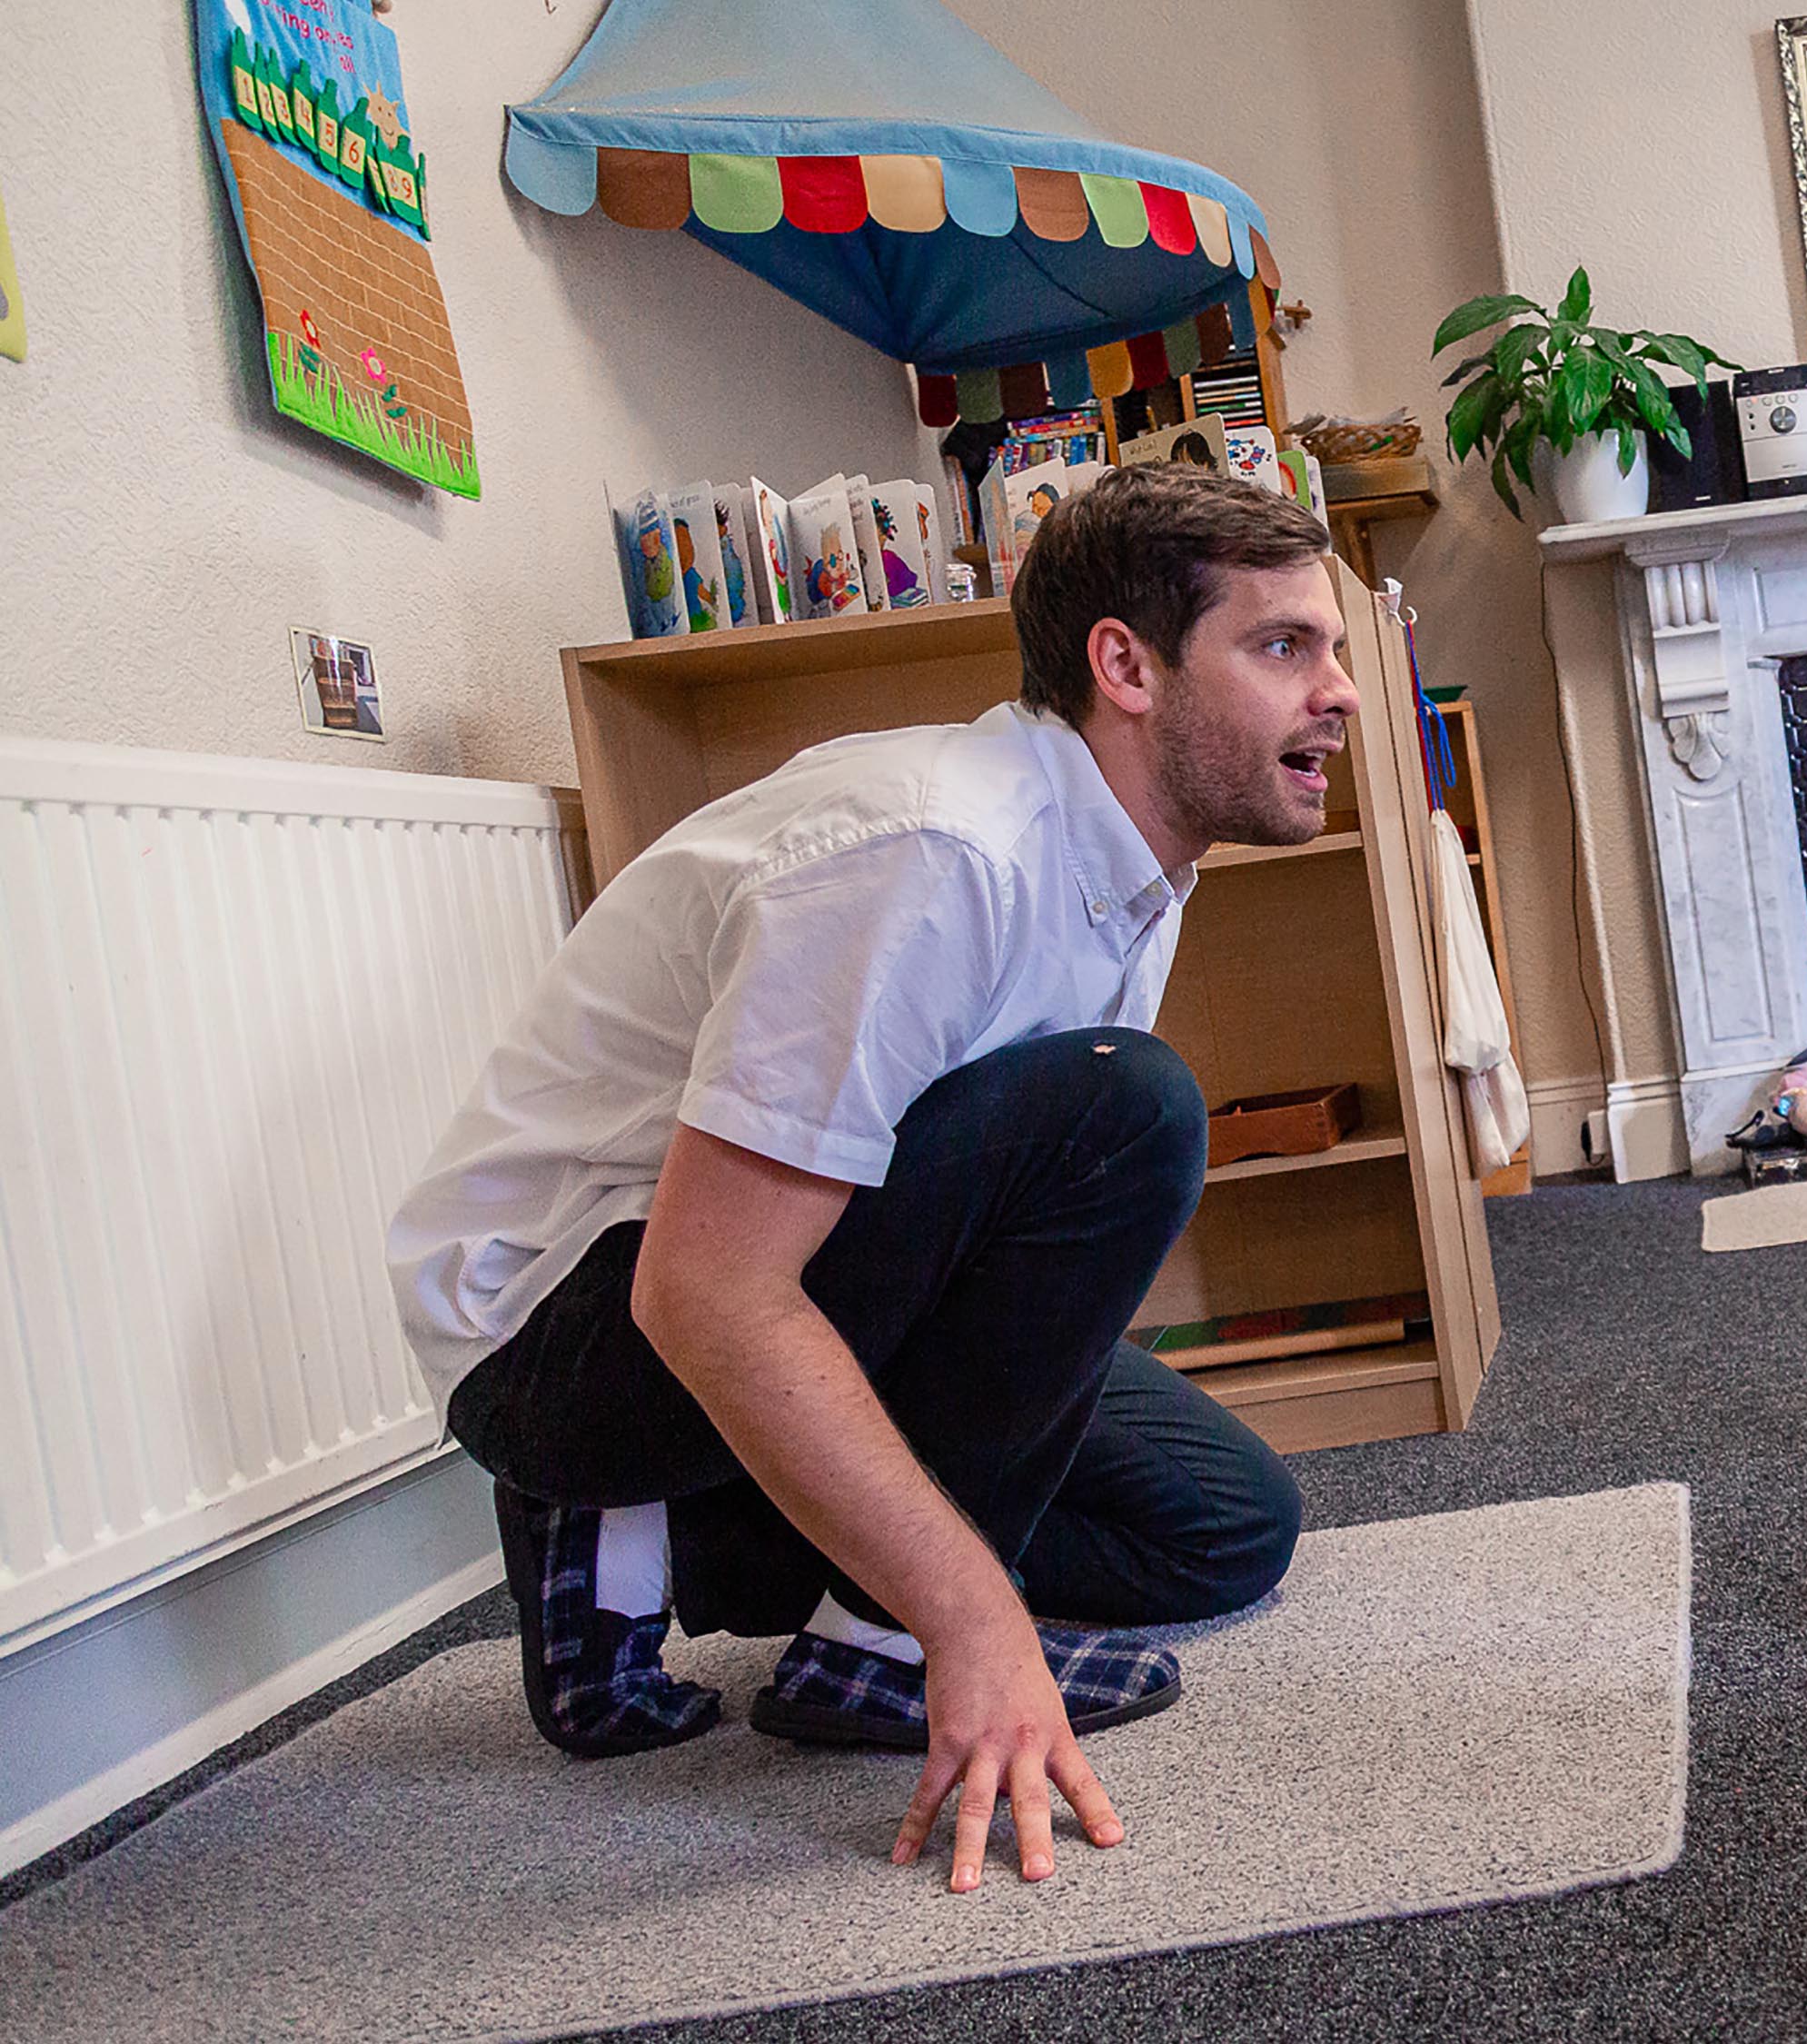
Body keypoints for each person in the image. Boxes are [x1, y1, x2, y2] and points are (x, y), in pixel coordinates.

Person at [385, 466, 1338, 1893]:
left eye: (1330, 648)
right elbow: (708, 1289)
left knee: (1222, 1525)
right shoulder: (937, 851)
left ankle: (698, 1545)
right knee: (1127, 1113)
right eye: (1283, 648)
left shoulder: (1126, 867)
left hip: (755, 1271)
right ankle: (847, 1636)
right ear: (1125, 667)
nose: (1341, 693)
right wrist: (967, 1617)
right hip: (571, 1331)